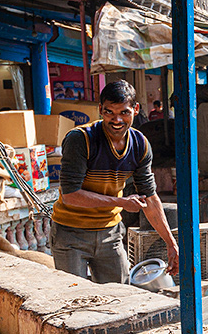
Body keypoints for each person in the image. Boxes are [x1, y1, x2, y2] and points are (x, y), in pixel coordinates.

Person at [50, 80, 178, 284]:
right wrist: (122, 203)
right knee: (75, 301)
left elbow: (150, 197)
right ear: (100, 110)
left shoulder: (140, 144)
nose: (117, 120)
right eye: (110, 112)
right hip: (71, 234)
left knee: (120, 298)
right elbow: (71, 196)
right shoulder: (80, 139)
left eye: (124, 113)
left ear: (135, 109)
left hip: (110, 234)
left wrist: (171, 244)